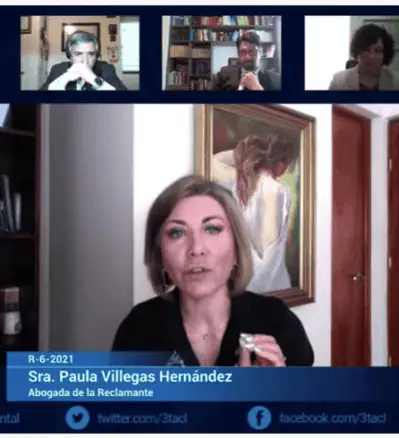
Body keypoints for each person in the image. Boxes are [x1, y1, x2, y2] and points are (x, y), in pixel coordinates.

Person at [112, 175, 313, 367]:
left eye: (212, 229)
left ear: (236, 249)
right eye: (177, 233)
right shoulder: (138, 329)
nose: (196, 249)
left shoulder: (277, 322)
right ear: (160, 255)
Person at [212, 134, 296, 293]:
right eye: (287, 164)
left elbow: (213, 161)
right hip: (275, 283)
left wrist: (248, 155)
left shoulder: (235, 183)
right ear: (281, 164)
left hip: (244, 282)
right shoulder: (281, 192)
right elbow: (267, 250)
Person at [328, 23, 399, 91]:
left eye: (377, 51)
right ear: (357, 51)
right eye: (366, 49)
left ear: (385, 54)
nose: (371, 56)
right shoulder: (338, 81)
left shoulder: (398, 82)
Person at [40, 30, 128, 91]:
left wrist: (95, 80)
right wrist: (62, 80)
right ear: (69, 56)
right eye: (78, 54)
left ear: (97, 56)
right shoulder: (57, 70)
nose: (85, 61)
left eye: (91, 54)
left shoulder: (107, 70)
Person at [211, 32, 281, 91]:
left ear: (260, 52)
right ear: (238, 54)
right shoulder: (224, 73)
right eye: (243, 52)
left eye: (252, 51)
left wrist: (257, 88)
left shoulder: (277, 80)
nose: (248, 57)